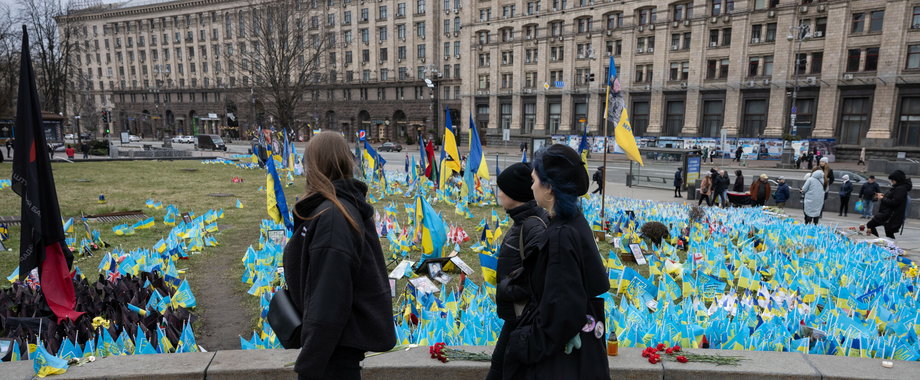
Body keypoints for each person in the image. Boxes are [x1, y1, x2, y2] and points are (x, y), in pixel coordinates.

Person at [283, 132, 396, 380]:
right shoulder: (337, 208)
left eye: (306, 162)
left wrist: (309, 365)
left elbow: (329, 300)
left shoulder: (332, 217)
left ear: (315, 166)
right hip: (336, 348)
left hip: (332, 354)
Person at [503, 144, 610, 380]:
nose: (531, 186)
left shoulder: (561, 234)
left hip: (556, 363)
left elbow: (562, 309)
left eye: (534, 180)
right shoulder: (572, 221)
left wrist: (525, 345)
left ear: (549, 187)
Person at [488, 162, 549, 380]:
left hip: (524, 317)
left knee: (502, 370)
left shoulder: (533, 226)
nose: (500, 194)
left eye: (502, 189)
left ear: (514, 194)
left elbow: (536, 276)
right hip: (517, 316)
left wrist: (504, 287)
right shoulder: (523, 221)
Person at [867, 170, 913, 239]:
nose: (891, 181)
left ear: (897, 179)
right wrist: (883, 196)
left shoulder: (901, 188)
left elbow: (894, 202)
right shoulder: (898, 187)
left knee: (870, 225)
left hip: (890, 215)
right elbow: (893, 198)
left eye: (892, 180)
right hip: (888, 214)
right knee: (889, 233)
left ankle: (878, 243)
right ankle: (887, 246)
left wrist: (882, 198)